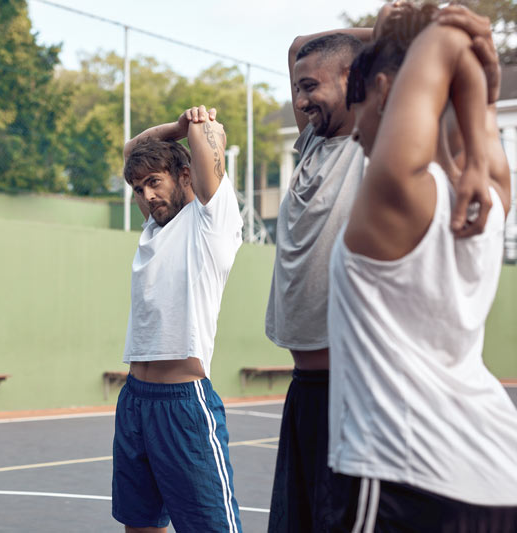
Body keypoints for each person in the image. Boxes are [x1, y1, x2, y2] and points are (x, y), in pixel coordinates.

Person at [327, 4, 517, 529]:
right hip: (500, 479)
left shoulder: (396, 196)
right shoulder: (492, 197)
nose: (355, 130)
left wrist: (441, 25)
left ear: (386, 92)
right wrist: (482, 88)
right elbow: (471, 90)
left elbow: (445, 41)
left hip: (401, 480)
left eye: (358, 107)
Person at [112, 106, 244, 533]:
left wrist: (196, 125)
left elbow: (205, 148)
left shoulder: (210, 223)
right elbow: (134, 149)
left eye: (155, 182)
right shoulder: (154, 227)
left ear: (185, 176)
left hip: (182, 407)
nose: (147, 195)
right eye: (138, 187)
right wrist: (172, 130)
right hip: (134, 402)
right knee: (140, 526)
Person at [265, 23, 371, 533]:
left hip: (350, 389)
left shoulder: (372, 143)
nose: (301, 99)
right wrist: (322, 51)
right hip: (305, 388)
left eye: (311, 86)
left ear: (353, 81)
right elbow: (296, 46)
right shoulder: (311, 143)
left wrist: (393, 29)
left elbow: (427, 40)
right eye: (298, 86)